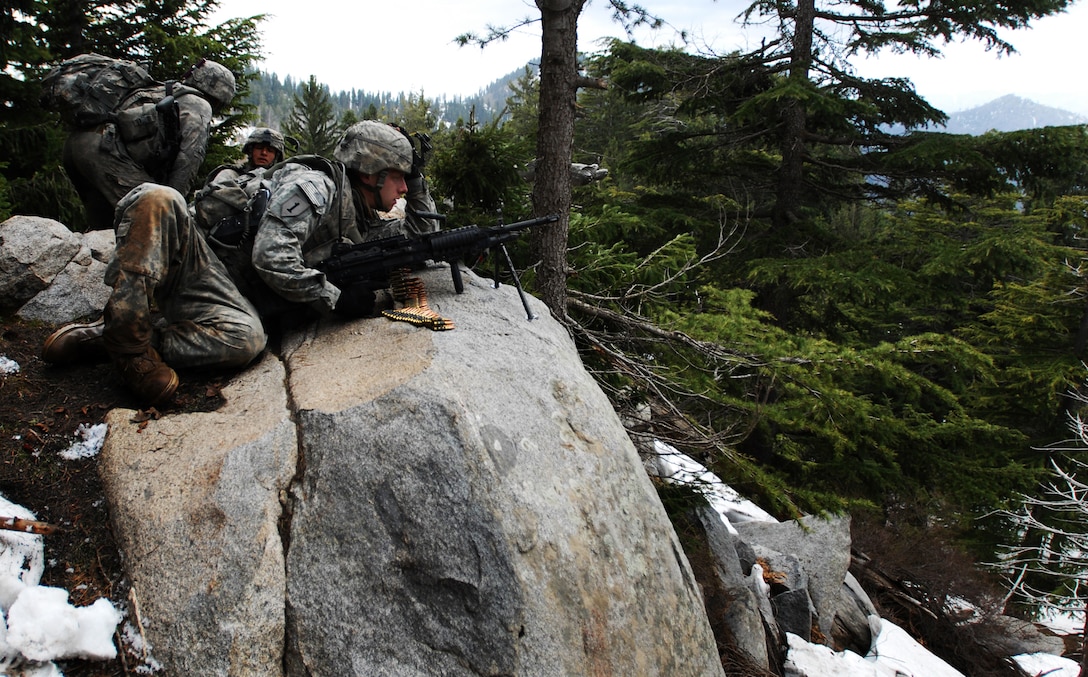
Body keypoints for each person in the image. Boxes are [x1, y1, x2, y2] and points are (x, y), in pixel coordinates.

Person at [40, 120, 439, 406]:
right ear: (371, 174)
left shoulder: (363, 218)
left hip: (229, 293)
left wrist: (418, 179)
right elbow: (272, 256)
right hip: (196, 260)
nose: (403, 188)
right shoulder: (317, 186)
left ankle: (121, 337)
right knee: (159, 198)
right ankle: (127, 341)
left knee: (248, 341)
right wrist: (335, 297)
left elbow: (420, 235)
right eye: (400, 177)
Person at [61, 59, 236, 229]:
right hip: (105, 152)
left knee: (104, 224)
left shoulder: (163, 90)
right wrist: (172, 204)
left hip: (77, 144)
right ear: (220, 95)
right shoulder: (199, 106)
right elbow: (188, 159)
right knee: (156, 218)